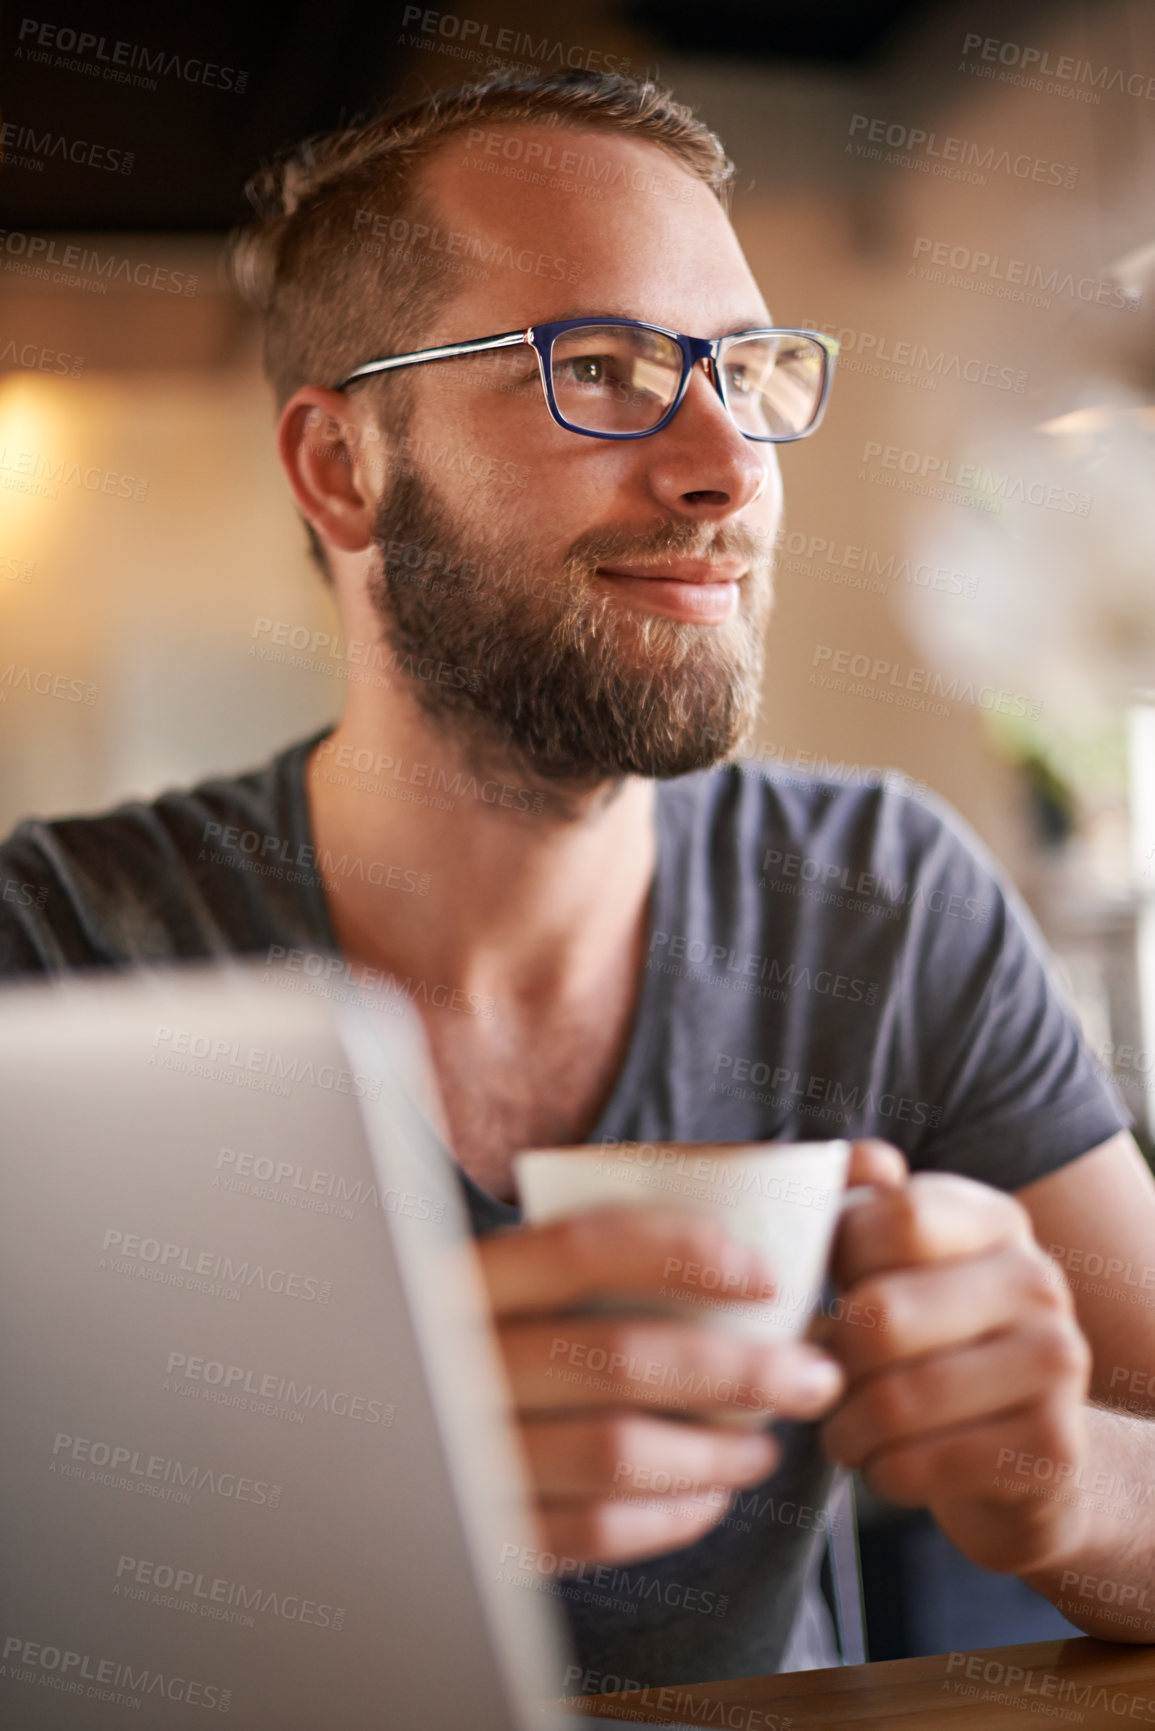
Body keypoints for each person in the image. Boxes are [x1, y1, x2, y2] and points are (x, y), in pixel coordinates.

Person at [2, 67, 1154, 1690]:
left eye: (744, 372)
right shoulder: (59, 950)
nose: (729, 468)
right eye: (597, 367)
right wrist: (340, 1507)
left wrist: (1068, 1480)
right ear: (342, 467)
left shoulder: (878, 898)